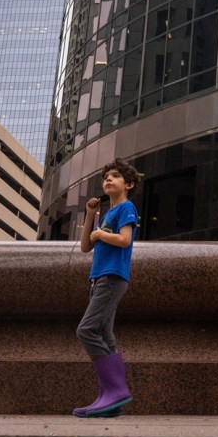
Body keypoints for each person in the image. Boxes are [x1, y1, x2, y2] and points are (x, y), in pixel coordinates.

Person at [73, 158, 141, 418]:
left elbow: (124, 240)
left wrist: (101, 234)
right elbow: (84, 247)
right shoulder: (107, 214)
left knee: (86, 329)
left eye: (115, 176)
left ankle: (115, 390)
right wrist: (91, 216)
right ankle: (109, 401)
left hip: (113, 277)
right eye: (105, 177)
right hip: (99, 278)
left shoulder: (127, 207)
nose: (108, 180)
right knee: (105, 336)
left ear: (129, 184)